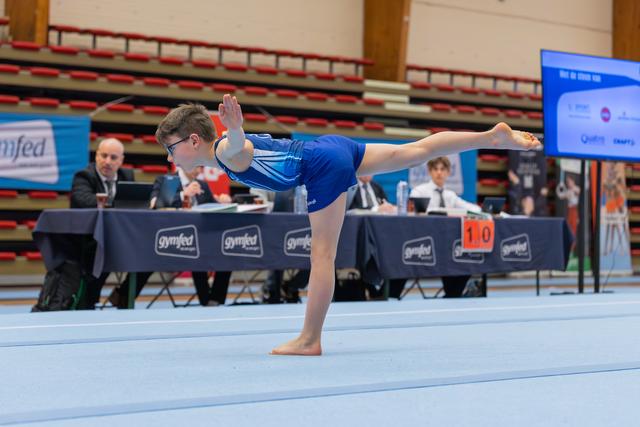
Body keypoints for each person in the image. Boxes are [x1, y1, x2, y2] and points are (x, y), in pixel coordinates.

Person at [155, 94, 541, 355]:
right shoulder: (219, 153)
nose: (171, 158)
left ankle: (310, 339)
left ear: (192, 141)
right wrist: (234, 131)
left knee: (321, 255)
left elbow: (236, 147)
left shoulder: (223, 151)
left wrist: (234, 129)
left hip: (319, 166)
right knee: (416, 151)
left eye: (171, 149)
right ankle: (490, 137)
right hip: (330, 148)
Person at [109, 166, 233, 308]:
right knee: (148, 256)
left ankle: (213, 300)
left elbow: (213, 208)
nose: (198, 169)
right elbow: (156, 205)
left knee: (225, 251)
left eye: (200, 166)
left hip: (197, 242)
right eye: (196, 165)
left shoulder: (202, 185)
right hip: (168, 239)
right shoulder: (167, 180)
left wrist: (223, 203)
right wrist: (183, 194)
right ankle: (124, 297)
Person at [69, 138, 134, 307]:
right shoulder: (84, 176)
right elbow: (84, 200)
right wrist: (113, 203)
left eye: (113, 158)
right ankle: (88, 301)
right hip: (90, 240)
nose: (107, 161)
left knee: (148, 254)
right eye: (103, 156)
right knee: (104, 252)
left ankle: (123, 296)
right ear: (96, 156)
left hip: (120, 237)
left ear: (121, 160)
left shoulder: (127, 176)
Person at [410, 157, 480, 298]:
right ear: (430, 172)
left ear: (448, 173)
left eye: (442, 169)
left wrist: (482, 209)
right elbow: (414, 208)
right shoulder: (419, 191)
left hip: (447, 244)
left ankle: (452, 294)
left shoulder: (450, 195)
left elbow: (469, 207)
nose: (439, 173)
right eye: (435, 169)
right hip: (426, 242)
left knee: (466, 258)